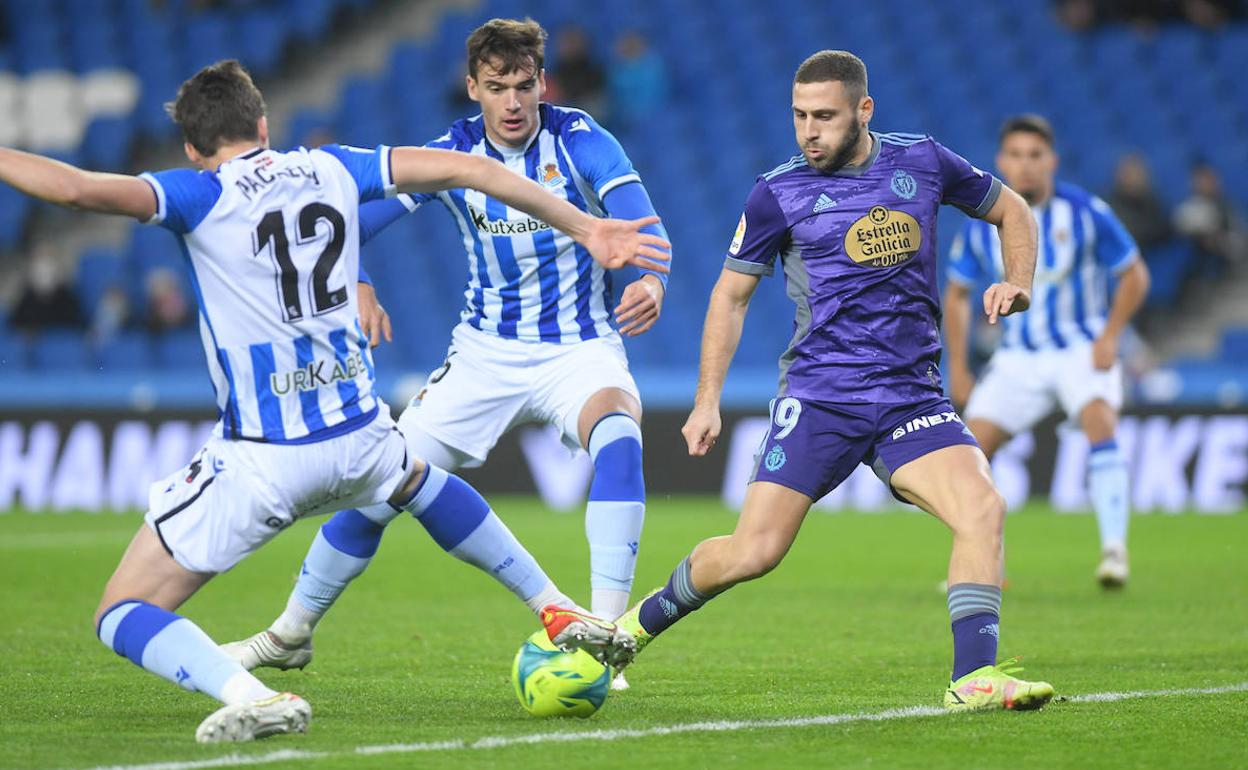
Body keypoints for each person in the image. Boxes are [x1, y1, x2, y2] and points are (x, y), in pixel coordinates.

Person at [0, 59, 665, 743]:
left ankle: (249, 693)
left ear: (194, 149)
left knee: (120, 609)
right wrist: (585, 226)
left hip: (266, 454)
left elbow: (78, 190)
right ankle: (555, 606)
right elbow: (475, 171)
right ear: (263, 123)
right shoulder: (332, 167)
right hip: (359, 434)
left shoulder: (199, 193)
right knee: (417, 481)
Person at [548, 49, 1056, 712]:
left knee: (982, 508)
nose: (808, 130)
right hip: (821, 399)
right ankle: (629, 629)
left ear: (864, 111)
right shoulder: (777, 193)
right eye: (799, 116)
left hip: (911, 399)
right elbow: (729, 298)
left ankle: (973, 679)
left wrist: (1018, 283)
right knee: (754, 551)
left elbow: (1013, 208)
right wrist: (707, 401)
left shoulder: (924, 162)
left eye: (825, 116)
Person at [225, 18, 669, 692]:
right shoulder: (450, 154)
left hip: (578, 348)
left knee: (618, 437)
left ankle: (603, 639)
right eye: (498, 88)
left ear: (542, 84)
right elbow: (345, 228)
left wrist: (649, 281)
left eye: (524, 86)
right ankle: (289, 634)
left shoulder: (580, 140)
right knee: (378, 488)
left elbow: (640, 225)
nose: (514, 102)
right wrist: (363, 286)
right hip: (483, 357)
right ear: (473, 88)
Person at [945, 115, 1151, 589]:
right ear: (1001, 162)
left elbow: (1134, 275)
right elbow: (955, 294)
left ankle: (1114, 551)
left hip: (1080, 346)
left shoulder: (1084, 211)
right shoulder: (981, 227)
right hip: (1017, 357)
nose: (1025, 166)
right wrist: (956, 366)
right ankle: (988, 561)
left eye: (1035, 155)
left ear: (1051, 160)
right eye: (1015, 156)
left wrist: (1110, 336)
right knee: (969, 453)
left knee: (1100, 418)